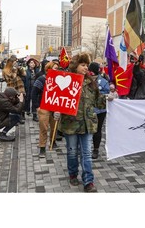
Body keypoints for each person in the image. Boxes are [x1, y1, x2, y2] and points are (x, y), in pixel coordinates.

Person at [56, 52, 102, 193]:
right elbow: (57, 99)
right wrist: (56, 111)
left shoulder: (91, 83)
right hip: (71, 124)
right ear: (75, 66)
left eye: (87, 65)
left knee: (86, 153)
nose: (86, 68)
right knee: (72, 152)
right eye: (83, 65)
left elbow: (98, 102)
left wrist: (109, 98)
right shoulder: (66, 81)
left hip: (88, 124)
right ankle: (73, 174)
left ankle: (88, 181)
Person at [31, 61, 60, 157]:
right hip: (43, 107)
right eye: (55, 68)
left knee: (54, 126)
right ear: (49, 69)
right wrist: (37, 107)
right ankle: (42, 147)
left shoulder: (59, 80)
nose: (57, 70)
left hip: (55, 107)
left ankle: (53, 141)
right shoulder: (41, 79)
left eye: (57, 68)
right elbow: (34, 93)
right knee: (43, 127)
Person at [88, 61, 109, 160]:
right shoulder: (85, 81)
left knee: (98, 130)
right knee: (88, 129)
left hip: (100, 110)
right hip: (88, 110)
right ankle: (86, 148)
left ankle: (96, 149)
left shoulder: (103, 82)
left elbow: (107, 94)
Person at [2, 55, 26, 124]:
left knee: (21, 102)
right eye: (14, 62)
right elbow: (13, 77)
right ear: (10, 62)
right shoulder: (6, 70)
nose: (15, 63)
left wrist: (20, 68)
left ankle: (19, 117)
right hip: (11, 88)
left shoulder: (16, 68)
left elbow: (24, 74)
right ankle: (15, 118)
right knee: (13, 103)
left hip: (19, 86)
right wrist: (15, 69)